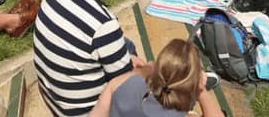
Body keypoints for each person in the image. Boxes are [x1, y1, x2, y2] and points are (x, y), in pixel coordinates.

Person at [33, 0, 144, 116]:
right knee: (138, 80)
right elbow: (124, 87)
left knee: (126, 45)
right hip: (82, 111)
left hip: (52, 95)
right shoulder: (104, 24)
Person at [91, 38, 223, 117]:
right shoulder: (176, 111)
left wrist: (141, 71)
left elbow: (108, 93)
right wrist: (201, 91)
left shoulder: (125, 84)